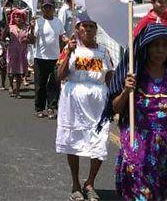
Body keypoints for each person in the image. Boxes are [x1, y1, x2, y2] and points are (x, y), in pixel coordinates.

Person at [100, 24, 167, 200]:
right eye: (155, 45)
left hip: (166, 147)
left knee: (159, 193)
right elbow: (115, 108)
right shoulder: (134, 74)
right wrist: (126, 91)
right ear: (146, 47)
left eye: (165, 45)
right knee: (142, 194)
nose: (160, 50)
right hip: (139, 143)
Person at [55, 12, 114, 201]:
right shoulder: (69, 49)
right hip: (73, 103)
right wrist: (69, 53)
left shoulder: (104, 52)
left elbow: (110, 76)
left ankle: (90, 183)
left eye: (91, 26)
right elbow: (60, 75)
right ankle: (75, 184)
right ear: (77, 29)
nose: (88, 29)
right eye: (84, 26)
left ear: (96, 30)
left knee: (99, 140)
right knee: (74, 141)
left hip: (98, 102)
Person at [28, 0, 67, 119]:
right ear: (42, 8)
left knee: (54, 84)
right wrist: (32, 28)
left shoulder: (58, 22)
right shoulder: (38, 22)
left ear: (53, 8)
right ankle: (39, 108)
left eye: (49, 7)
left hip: (55, 58)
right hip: (40, 58)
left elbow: (62, 38)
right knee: (40, 85)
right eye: (45, 7)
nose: (47, 9)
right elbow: (31, 40)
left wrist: (63, 53)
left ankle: (51, 107)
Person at [4, 9, 30, 98]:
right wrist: (6, 30)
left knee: (20, 73)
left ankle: (18, 90)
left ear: (23, 18)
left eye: (20, 17)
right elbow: (3, 37)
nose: (18, 19)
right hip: (12, 52)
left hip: (22, 53)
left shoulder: (27, 28)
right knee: (11, 72)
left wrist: (28, 39)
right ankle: (11, 85)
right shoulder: (10, 27)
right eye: (16, 17)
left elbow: (31, 40)